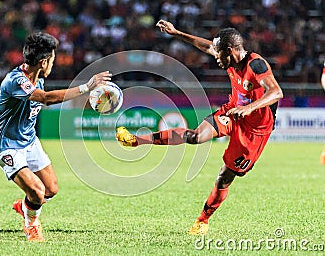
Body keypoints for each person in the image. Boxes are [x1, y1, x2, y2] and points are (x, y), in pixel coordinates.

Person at [116, 20, 283, 235]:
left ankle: (203, 220)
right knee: (195, 136)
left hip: (255, 131)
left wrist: (250, 108)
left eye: (219, 54)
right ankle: (136, 140)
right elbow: (206, 46)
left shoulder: (256, 65)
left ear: (230, 51)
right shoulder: (228, 57)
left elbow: (276, 92)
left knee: (225, 176)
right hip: (232, 112)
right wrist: (176, 33)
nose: (216, 57)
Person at [0, 32, 112, 242]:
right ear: (44, 61)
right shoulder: (15, 80)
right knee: (37, 191)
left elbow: (49, 98)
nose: (54, 63)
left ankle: (25, 206)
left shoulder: (39, 79)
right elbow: (45, 99)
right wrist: (86, 86)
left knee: (50, 189)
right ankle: (31, 225)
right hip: (6, 144)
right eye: (52, 59)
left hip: (29, 140)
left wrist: (95, 101)